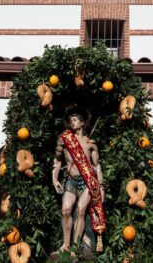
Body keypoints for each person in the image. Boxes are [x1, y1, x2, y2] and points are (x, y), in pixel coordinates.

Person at [51, 105, 106, 257]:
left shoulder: (90, 144)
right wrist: (54, 178)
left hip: (88, 181)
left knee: (81, 210)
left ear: (82, 123)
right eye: (70, 120)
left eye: (75, 120)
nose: (72, 122)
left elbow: (97, 167)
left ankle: (75, 247)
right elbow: (57, 160)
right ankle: (66, 245)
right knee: (66, 210)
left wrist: (101, 186)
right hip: (71, 180)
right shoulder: (65, 139)